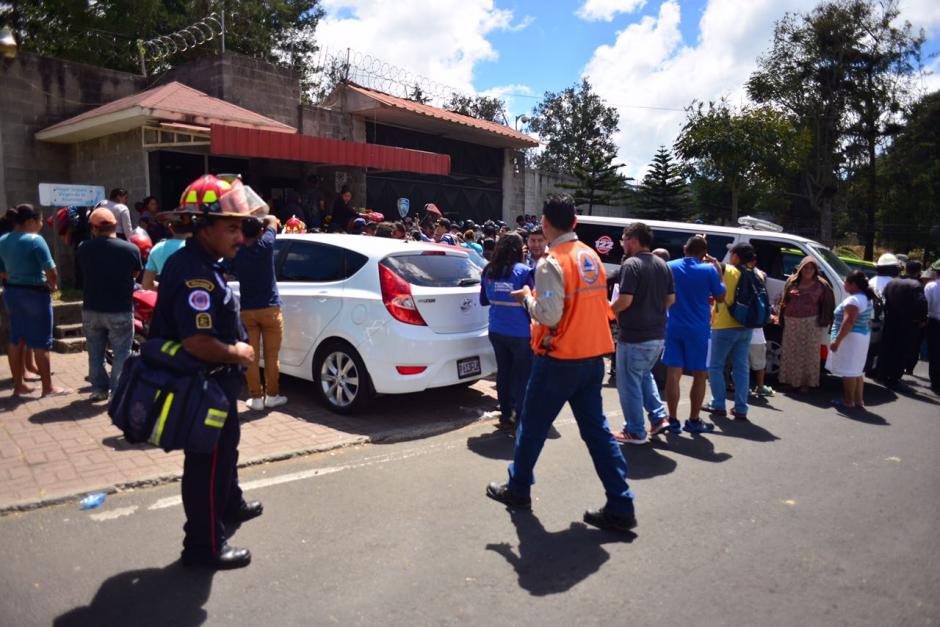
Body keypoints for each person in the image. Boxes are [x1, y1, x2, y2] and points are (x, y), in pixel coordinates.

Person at [486, 195, 636, 534]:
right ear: (575, 223)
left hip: (558, 360)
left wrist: (527, 299)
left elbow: (550, 315)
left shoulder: (551, 262)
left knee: (531, 427)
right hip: (592, 357)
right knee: (597, 432)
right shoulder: (590, 256)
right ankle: (621, 503)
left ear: (544, 223)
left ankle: (518, 489)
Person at [149, 174, 263, 569]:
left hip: (216, 385)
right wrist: (239, 351)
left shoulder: (203, 263)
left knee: (226, 450)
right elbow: (197, 342)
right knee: (206, 465)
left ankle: (229, 503)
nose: (240, 237)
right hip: (202, 387)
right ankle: (203, 546)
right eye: (231, 228)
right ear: (203, 228)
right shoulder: (194, 274)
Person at [610, 223, 674, 444]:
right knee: (644, 375)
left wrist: (609, 311)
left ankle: (635, 430)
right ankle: (658, 417)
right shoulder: (662, 264)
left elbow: (625, 300)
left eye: (623, 240)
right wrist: (653, 311)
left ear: (634, 240)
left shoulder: (631, 264)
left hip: (634, 336)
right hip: (657, 334)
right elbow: (671, 299)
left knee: (628, 384)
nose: (622, 244)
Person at [0, 204, 70, 398]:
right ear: (31, 221)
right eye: (40, 221)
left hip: (12, 292)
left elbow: (3, 271)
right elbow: (51, 270)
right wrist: (53, 285)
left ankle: (19, 386)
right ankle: (48, 387)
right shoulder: (35, 240)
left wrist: (17, 277)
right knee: (41, 341)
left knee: (17, 338)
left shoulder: (2, 240)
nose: (41, 224)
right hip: (35, 294)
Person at [75, 209, 142, 401]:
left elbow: (82, 270)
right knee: (122, 352)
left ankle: (98, 389)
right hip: (120, 308)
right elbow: (136, 273)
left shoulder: (84, 248)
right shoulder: (131, 249)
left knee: (95, 352)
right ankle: (117, 392)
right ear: (115, 225)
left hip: (91, 308)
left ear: (94, 228)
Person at [663, 235, 726, 433]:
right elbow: (721, 297)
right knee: (700, 374)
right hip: (699, 329)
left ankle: (672, 420)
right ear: (704, 254)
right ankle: (693, 420)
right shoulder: (709, 270)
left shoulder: (669, 266)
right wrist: (718, 271)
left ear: (685, 248)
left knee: (673, 374)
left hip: (673, 326)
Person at [479, 232, 534, 431]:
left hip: (496, 330)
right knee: (522, 375)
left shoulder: (488, 270)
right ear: (519, 249)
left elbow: (483, 300)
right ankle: (520, 416)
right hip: (521, 333)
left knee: (504, 371)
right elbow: (532, 300)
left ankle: (505, 414)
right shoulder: (524, 271)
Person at [233, 215, 287, 411]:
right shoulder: (266, 245)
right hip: (270, 308)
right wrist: (260, 219)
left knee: (251, 356)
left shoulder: (237, 251)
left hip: (248, 310)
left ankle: (256, 398)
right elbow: (272, 219)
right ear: (260, 232)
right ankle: (272, 396)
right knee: (272, 356)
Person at [705, 242, 757, 420]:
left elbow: (718, 268)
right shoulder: (756, 273)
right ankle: (741, 408)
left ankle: (718, 404)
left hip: (724, 325)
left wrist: (711, 260)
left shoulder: (730, 270)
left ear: (735, 255)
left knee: (715, 366)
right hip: (746, 326)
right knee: (741, 368)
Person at [776, 256, 835, 393]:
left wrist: (826, 321)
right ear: (801, 268)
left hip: (811, 323)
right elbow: (784, 300)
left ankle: (805, 384)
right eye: (805, 267)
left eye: (811, 268)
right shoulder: (792, 281)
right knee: (790, 352)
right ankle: (790, 382)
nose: (808, 270)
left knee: (808, 353)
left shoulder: (822, 285)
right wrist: (780, 317)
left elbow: (828, 304)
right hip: (791, 321)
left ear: (815, 270)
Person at [826, 270, 876, 409]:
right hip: (861, 336)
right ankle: (858, 400)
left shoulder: (853, 300)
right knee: (857, 371)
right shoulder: (865, 298)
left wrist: (837, 341)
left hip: (850, 339)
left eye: (846, 281)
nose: (844, 284)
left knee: (849, 371)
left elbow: (849, 321)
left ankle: (848, 401)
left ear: (853, 284)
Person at [877, 260, 928, 386]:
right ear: (919, 271)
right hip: (907, 323)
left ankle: (882, 373)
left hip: (890, 320)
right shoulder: (915, 285)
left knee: (887, 346)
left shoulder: (892, 282)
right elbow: (921, 303)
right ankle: (894, 377)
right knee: (901, 350)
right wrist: (921, 319)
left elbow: (883, 298)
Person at [141, 221, 189, 290]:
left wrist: (167, 288)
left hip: (166, 296)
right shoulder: (197, 249)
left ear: (170, 227)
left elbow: (146, 285)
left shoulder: (157, 248)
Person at [924, 260, 940, 393]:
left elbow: (926, 306)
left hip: (935, 323)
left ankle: (935, 382)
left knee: (935, 353)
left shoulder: (931, 286)